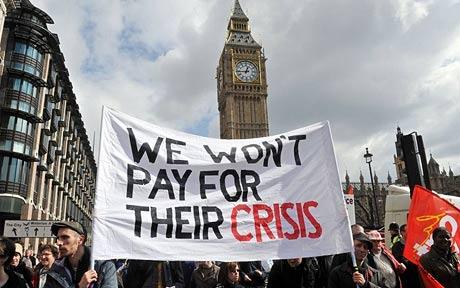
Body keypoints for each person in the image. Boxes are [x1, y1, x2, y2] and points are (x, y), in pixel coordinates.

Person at [51, 221, 117, 288]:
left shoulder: (104, 266)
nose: (59, 242)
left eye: (65, 237)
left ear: (80, 240)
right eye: (58, 238)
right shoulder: (56, 267)